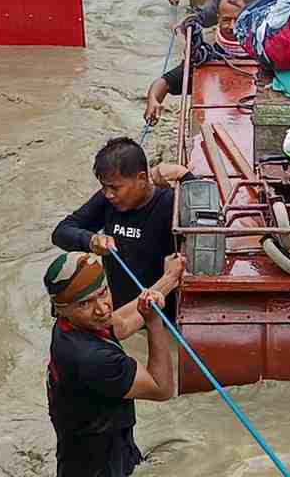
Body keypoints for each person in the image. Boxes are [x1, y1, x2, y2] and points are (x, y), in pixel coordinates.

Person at [45, 251, 180, 476]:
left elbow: (123, 324)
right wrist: (155, 324)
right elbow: (162, 388)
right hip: (100, 466)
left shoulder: (71, 325)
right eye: (85, 303)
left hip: (95, 446)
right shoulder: (92, 359)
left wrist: (169, 279)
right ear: (61, 308)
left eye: (103, 292)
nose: (102, 308)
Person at [51, 138, 194, 319]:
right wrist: (91, 240)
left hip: (162, 313)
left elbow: (208, 226)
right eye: (104, 186)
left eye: (115, 188)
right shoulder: (107, 201)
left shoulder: (170, 202)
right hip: (119, 312)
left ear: (141, 178)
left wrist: (185, 175)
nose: (108, 194)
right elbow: (61, 232)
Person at [144, 0, 248, 125]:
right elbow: (164, 82)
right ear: (218, 19)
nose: (232, 26)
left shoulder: (263, 55)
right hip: (213, 124)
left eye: (238, 20)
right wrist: (152, 100)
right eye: (226, 20)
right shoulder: (206, 57)